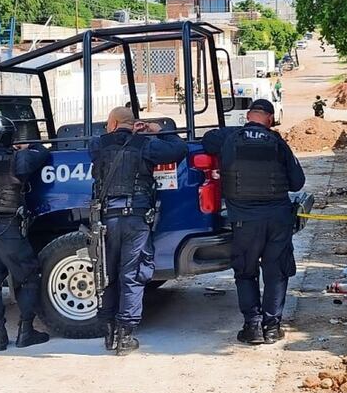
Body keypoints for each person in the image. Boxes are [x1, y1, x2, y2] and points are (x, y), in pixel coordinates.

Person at [202, 99, 305, 345]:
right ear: (269, 119)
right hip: (277, 220)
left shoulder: (229, 138)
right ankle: (272, 327)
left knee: (246, 273)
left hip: (244, 222)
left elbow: (206, 140)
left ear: (248, 116)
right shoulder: (278, 143)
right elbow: (297, 183)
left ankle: (252, 326)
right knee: (276, 272)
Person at [89, 107, 188, 356]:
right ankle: (126, 336)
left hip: (106, 221)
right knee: (131, 275)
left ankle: (109, 332)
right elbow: (179, 150)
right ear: (134, 124)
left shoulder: (97, 145)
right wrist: (159, 131)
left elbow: (99, 148)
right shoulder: (145, 145)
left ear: (112, 123)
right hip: (135, 219)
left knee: (106, 275)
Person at [0, 116, 52, 351]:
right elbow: (42, 152)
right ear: (7, 136)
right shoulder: (18, 160)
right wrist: (27, 146)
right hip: (8, 229)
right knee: (28, 278)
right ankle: (26, 331)